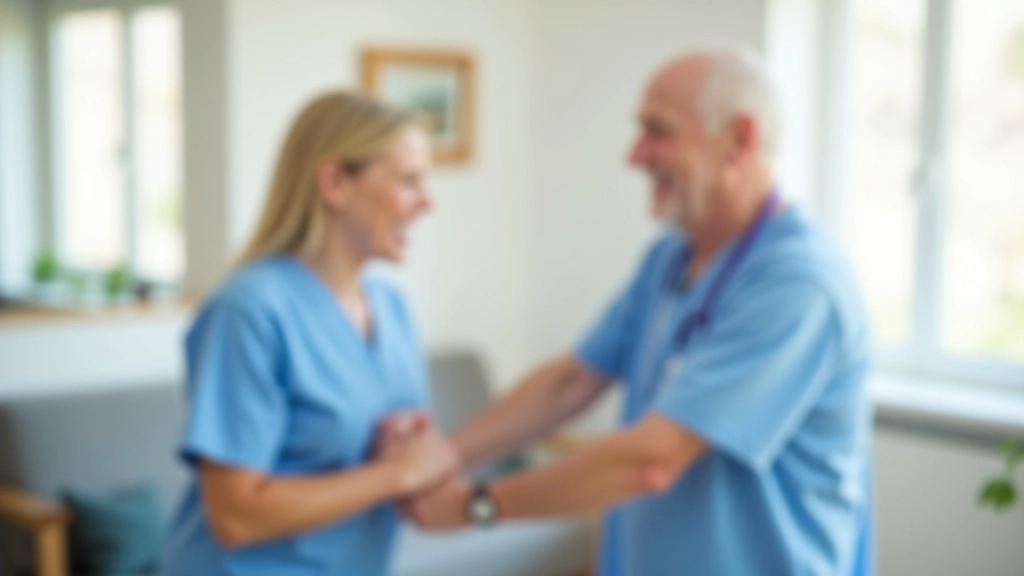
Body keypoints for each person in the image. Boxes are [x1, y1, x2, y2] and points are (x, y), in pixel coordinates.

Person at [381, 46, 874, 576]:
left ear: (739, 140)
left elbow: (652, 460)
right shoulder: (671, 257)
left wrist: (473, 505)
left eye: (657, 132)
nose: (634, 155)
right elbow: (570, 382)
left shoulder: (798, 284)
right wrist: (439, 458)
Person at [161, 92, 458, 576]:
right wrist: (395, 472)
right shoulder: (250, 311)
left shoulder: (394, 308)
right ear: (335, 182)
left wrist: (402, 447)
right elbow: (236, 515)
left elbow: (384, 453)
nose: (428, 203)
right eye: (409, 180)